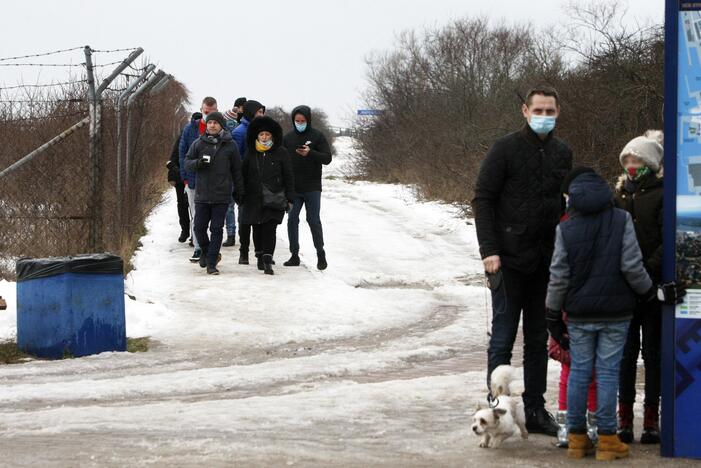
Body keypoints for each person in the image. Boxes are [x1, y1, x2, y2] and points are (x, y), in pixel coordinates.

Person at [472, 85, 572, 436]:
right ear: (525, 112)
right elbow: (482, 199)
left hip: (546, 261)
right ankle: (496, 406)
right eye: (538, 110)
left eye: (550, 111)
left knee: (537, 339)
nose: (544, 117)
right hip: (508, 261)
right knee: (501, 337)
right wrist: (489, 250)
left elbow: (564, 205)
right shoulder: (505, 149)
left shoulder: (562, 152)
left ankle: (535, 408)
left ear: (558, 113)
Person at [545, 167, 655, 460]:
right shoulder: (621, 220)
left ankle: (578, 439)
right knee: (607, 374)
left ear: (574, 198)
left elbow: (558, 276)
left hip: (579, 314)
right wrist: (647, 293)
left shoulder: (566, 228)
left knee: (580, 372)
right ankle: (607, 440)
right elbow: (632, 266)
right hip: (616, 313)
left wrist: (552, 314)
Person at [614, 131, 664, 444]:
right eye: (627, 160)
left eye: (637, 160)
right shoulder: (618, 195)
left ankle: (651, 419)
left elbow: (665, 239)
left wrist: (645, 272)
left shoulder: (661, 194)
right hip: (622, 289)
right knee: (625, 355)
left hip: (653, 287)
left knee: (654, 354)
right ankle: (623, 418)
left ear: (649, 163)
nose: (631, 165)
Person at [184, 112, 244, 275]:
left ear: (221, 126)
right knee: (199, 228)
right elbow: (187, 162)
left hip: (221, 194)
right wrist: (198, 163)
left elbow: (237, 170)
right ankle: (207, 251)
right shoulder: (198, 143)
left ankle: (211, 263)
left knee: (216, 228)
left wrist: (239, 190)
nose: (212, 126)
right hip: (202, 194)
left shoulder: (230, 145)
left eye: (215, 123)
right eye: (210, 123)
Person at [240, 116, 295, 275]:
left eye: (267, 135)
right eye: (262, 135)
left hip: (274, 197)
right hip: (253, 198)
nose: (264, 137)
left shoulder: (281, 152)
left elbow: (288, 176)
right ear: (256, 136)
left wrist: (290, 197)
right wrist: (240, 193)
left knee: (270, 228)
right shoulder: (251, 153)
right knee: (257, 227)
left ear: (273, 136)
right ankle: (259, 255)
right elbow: (243, 175)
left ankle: (267, 258)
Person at [282, 105, 333, 270]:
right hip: (294, 188)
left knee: (313, 220)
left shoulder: (317, 136)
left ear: (308, 120)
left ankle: (320, 253)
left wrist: (310, 153)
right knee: (292, 219)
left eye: (303, 121)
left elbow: (327, 158)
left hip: (312, 186)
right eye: (297, 121)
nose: (300, 123)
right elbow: (282, 161)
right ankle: (294, 255)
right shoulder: (288, 138)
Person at [179, 96, 218, 263]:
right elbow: (182, 154)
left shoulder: (221, 131)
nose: (208, 116)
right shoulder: (190, 129)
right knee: (196, 215)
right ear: (202, 110)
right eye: (206, 112)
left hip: (215, 182)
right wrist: (185, 178)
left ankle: (212, 248)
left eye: (212, 112)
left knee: (215, 218)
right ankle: (198, 248)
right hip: (194, 180)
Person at [232, 100, 266, 264]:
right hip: (244, 181)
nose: (261, 115)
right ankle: (243, 252)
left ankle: (259, 253)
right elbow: (235, 158)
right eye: (258, 112)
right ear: (251, 112)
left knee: (259, 219)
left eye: (262, 112)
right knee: (245, 219)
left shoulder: (263, 131)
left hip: (260, 181)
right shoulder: (239, 132)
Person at [167, 111, 201, 243]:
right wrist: (177, 173)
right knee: (182, 204)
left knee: (195, 207)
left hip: (194, 175)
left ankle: (194, 235)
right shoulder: (184, 135)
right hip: (180, 175)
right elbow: (174, 157)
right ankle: (185, 230)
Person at [222, 99, 247, 248]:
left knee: (235, 205)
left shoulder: (242, 129)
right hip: (229, 171)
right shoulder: (230, 125)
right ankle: (233, 233)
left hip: (238, 172)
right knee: (231, 205)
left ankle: (237, 233)